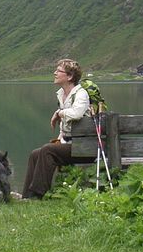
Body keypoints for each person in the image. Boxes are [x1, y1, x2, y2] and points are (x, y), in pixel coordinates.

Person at [22, 58, 96, 199]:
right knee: (35, 154)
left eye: (59, 71)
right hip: (69, 144)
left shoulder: (81, 94)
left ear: (70, 76)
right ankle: (27, 196)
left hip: (84, 147)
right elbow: (66, 124)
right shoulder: (61, 94)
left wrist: (59, 113)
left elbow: (76, 113)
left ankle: (39, 194)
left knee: (47, 150)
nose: (55, 73)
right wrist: (60, 139)